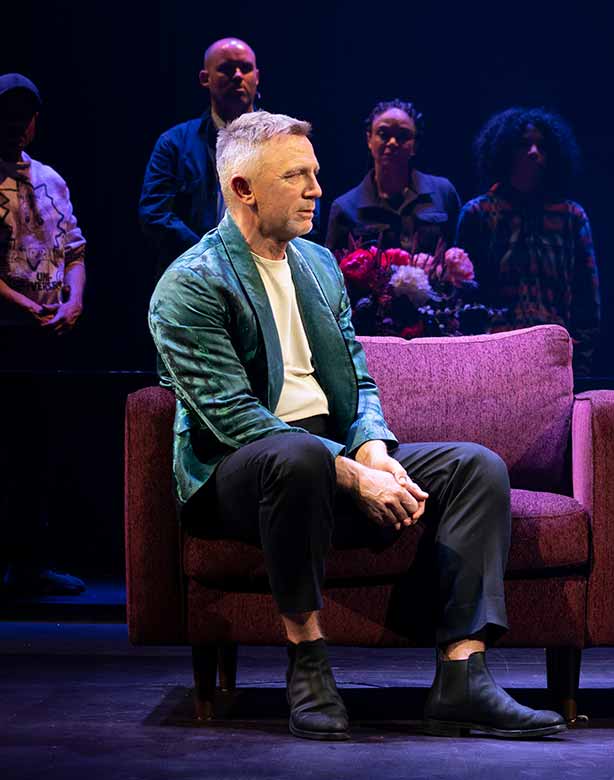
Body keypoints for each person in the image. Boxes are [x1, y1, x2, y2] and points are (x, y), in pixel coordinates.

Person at [148, 111, 565, 741]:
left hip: (325, 458)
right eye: (296, 176)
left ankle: (463, 677)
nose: (318, 188)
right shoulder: (191, 284)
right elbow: (234, 417)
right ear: (243, 188)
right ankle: (308, 663)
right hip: (239, 475)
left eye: (315, 173)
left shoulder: (318, 266)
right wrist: (347, 471)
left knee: (475, 466)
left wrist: (370, 450)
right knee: (296, 457)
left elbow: (358, 382)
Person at [0, 73, 88, 596]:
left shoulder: (51, 178)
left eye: (24, 114)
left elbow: (75, 248)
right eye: (6, 113)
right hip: (7, 334)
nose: (17, 124)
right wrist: (24, 304)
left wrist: (74, 300)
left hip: (48, 334)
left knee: (40, 450)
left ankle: (33, 562)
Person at [455, 107, 600, 374]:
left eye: (541, 146)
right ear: (505, 150)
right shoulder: (479, 214)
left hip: (552, 355)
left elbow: (587, 300)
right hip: (494, 353)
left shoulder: (570, 217)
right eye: (524, 144)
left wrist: (580, 363)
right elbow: (463, 297)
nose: (534, 152)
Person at [139, 37, 261, 273]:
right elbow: (154, 213)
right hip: (194, 276)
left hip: (263, 272)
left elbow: (305, 211)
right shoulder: (174, 143)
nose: (238, 75)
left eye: (245, 68)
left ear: (257, 76)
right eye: (226, 69)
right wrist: (212, 254)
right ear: (205, 78)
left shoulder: (281, 141)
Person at [325, 99, 460, 258]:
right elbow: (331, 273)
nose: (393, 142)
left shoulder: (443, 192)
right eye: (383, 134)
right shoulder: (345, 207)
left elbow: (461, 256)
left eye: (403, 136)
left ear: (415, 145)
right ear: (369, 139)